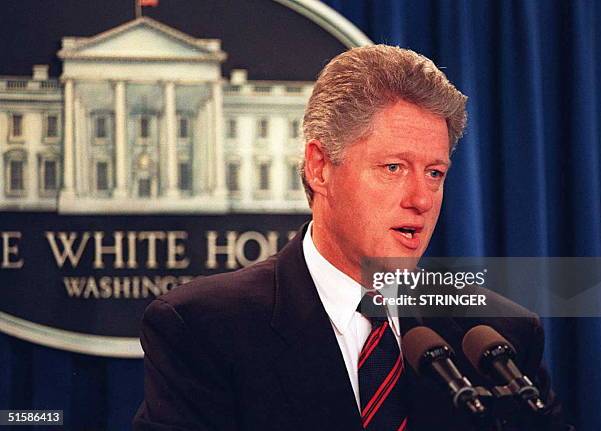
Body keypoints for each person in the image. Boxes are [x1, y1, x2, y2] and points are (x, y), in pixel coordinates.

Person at [134, 45, 572, 430]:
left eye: (435, 173)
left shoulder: (498, 335)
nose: (421, 199)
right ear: (320, 167)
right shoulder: (204, 329)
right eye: (393, 168)